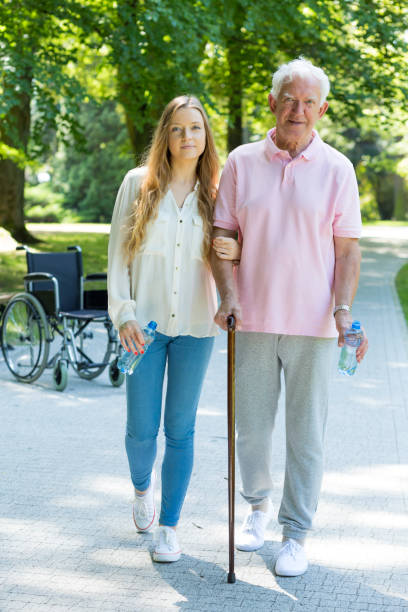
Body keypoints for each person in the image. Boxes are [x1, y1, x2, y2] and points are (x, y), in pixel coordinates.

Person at [210, 58, 368, 577]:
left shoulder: (338, 169)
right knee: (251, 428)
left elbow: (347, 251)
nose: (297, 110)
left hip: (315, 326)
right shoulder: (240, 162)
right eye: (289, 99)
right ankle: (256, 510)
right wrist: (227, 295)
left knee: (307, 435)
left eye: (308, 102)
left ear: (322, 109)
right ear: (272, 102)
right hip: (250, 319)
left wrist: (343, 311)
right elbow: (222, 239)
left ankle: (295, 533)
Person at [108, 95, 240, 563]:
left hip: (197, 328)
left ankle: (169, 526)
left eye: (197, 129)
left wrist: (233, 256)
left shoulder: (219, 192)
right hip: (140, 328)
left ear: (207, 138)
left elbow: (231, 255)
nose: (188, 137)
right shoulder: (136, 185)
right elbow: (118, 257)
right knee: (142, 430)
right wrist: (122, 312)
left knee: (180, 430)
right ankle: (141, 488)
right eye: (179, 128)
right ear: (165, 134)